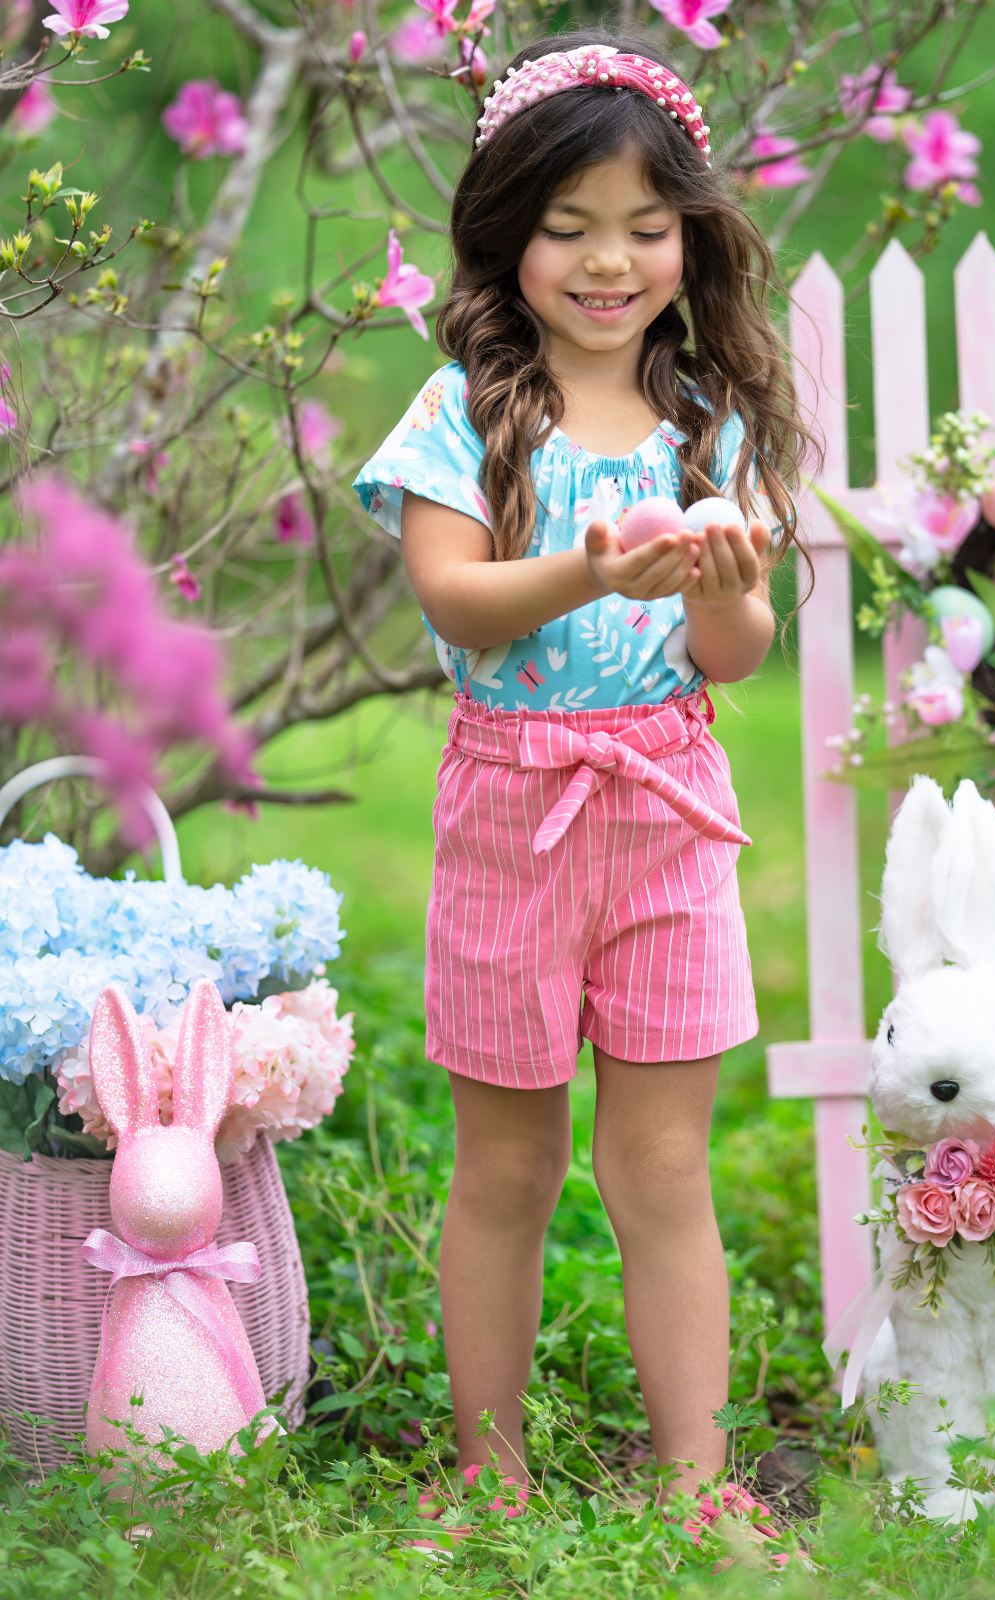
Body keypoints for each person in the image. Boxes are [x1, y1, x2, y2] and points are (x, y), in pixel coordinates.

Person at [354, 27, 810, 1508]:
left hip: (670, 810)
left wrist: (725, 587)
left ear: (690, 236)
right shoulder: (465, 411)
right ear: (510, 235)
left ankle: (697, 1486)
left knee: (662, 1167)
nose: (610, 262)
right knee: (508, 1166)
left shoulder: (710, 420)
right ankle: (490, 1476)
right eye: (569, 227)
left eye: (645, 226)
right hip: (514, 808)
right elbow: (456, 599)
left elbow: (733, 653)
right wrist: (591, 572)